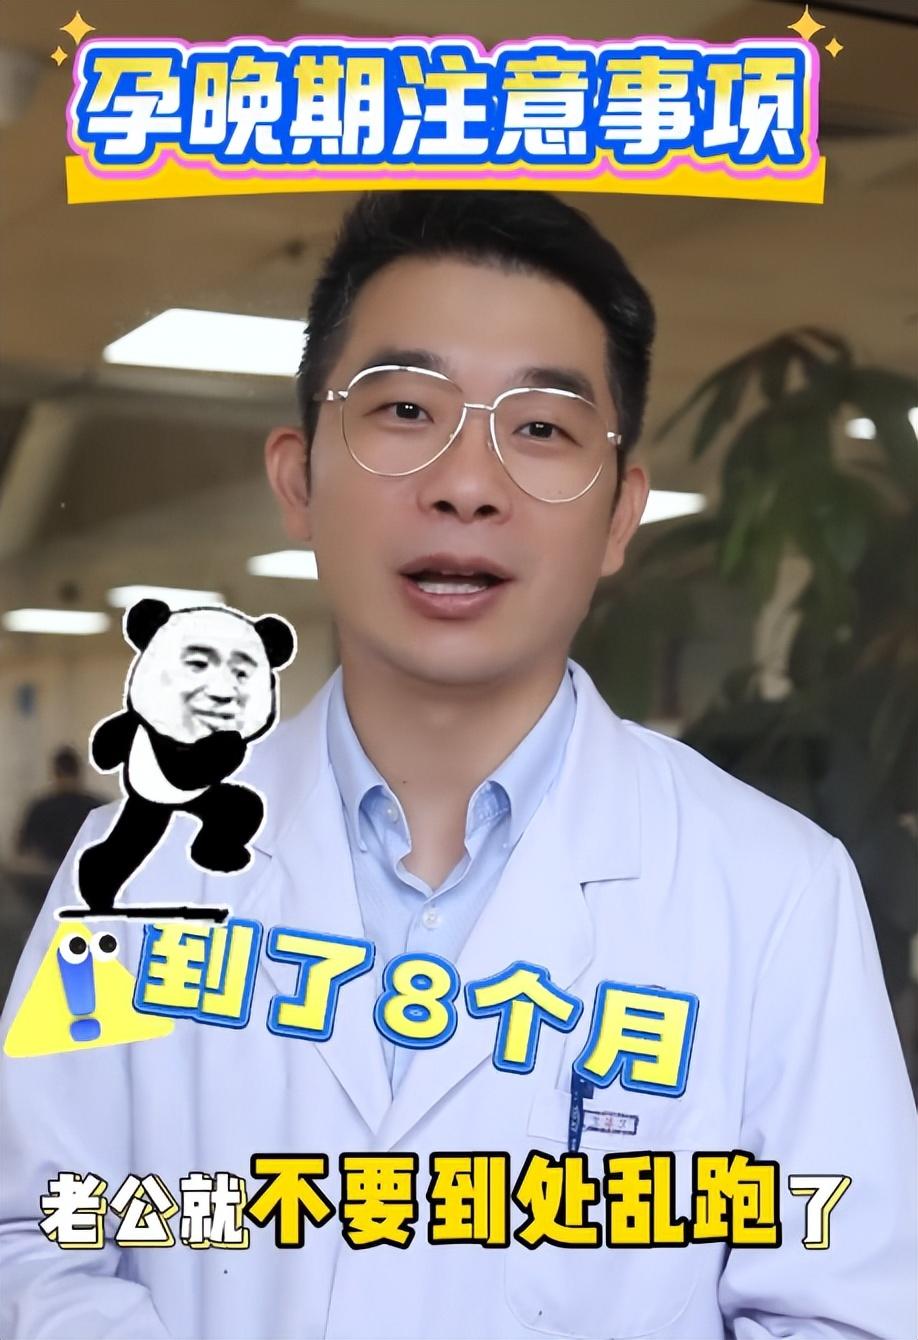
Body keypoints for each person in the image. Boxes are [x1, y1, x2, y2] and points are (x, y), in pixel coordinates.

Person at [0, 190, 914, 1340]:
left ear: (620, 514)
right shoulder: (136, 866)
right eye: (403, 408)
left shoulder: (775, 888)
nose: (467, 482)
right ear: (298, 479)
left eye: (542, 428)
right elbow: (28, 1233)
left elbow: (844, 1309)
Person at [16, 745, 105, 871]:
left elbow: (23, 849)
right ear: (79, 774)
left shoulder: (41, 808)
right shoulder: (95, 807)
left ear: (55, 774)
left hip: (46, 877)